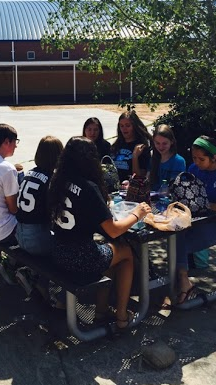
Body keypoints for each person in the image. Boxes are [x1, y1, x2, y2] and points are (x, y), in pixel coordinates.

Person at [48, 136, 151, 328]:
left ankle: (102, 310)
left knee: (109, 252)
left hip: (57, 251)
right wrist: (137, 214)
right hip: (80, 257)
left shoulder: (58, 179)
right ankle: (121, 316)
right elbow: (112, 230)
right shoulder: (88, 187)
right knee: (126, 252)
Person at [174, 135, 216, 304]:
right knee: (174, 234)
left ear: (214, 157)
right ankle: (182, 281)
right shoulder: (194, 169)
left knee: (181, 243)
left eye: (201, 159)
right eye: (194, 158)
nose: (196, 162)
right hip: (198, 218)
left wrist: (207, 204)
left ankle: (183, 283)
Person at [15, 136, 64, 302]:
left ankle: (31, 273)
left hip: (19, 233)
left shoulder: (31, 172)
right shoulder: (51, 179)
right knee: (69, 249)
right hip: (36, 238)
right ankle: (42, 283)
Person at [110, 110, 152, 183]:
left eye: (128, 125)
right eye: (121, 126)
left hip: (131, 188)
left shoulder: (141, 148)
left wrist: (135, 156)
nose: (124, 129)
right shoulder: (116, 146)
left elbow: (140, 177)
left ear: (134, 126)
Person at [149, 124, 186, 191]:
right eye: (157, 143)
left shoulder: (178, 161)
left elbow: (174, 188)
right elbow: (147, 180)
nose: (161, 147)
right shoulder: (153, 158)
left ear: (171, 141)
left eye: (164, 143)